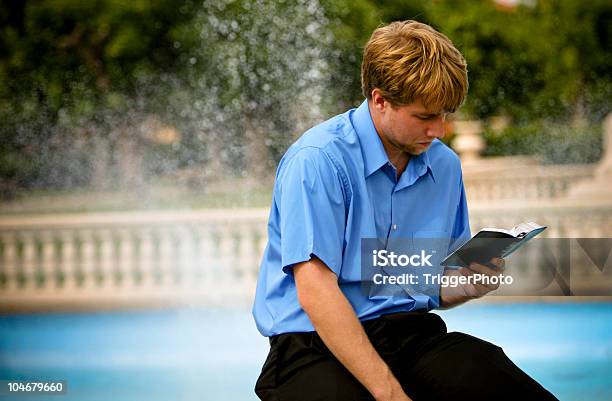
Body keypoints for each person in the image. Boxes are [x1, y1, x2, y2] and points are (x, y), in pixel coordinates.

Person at [252, 20, 559, 401]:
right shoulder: (316, 161)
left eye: (446, 115)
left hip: (410, 337)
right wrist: (390, 392)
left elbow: (425, 281)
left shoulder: (444, 166)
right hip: (313, 345)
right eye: (425, 116)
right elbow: (316, 291)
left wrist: (467, 284)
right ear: (380, 100)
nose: (440, 130)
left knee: (499, 382)